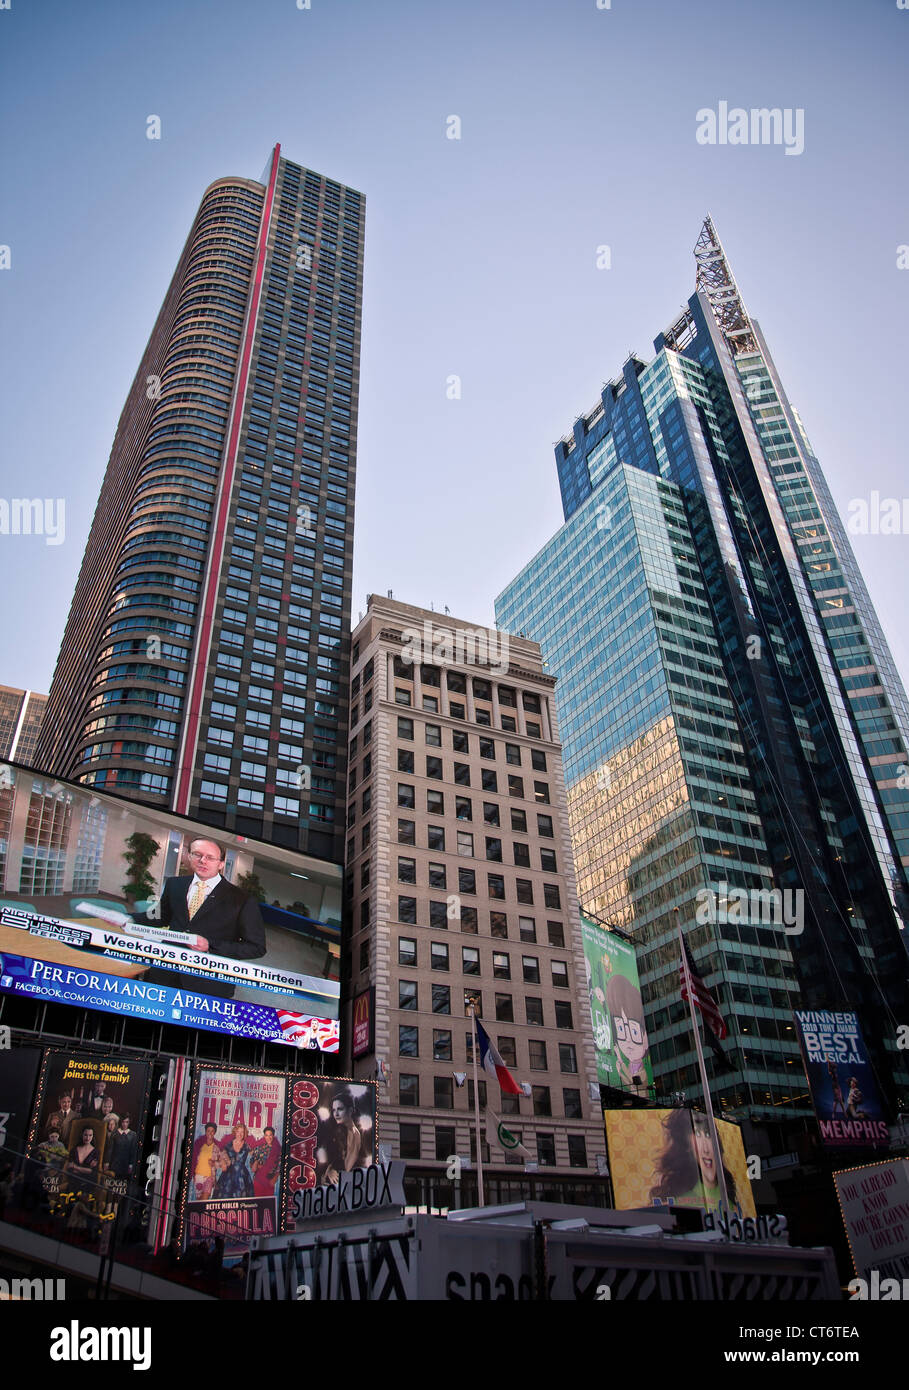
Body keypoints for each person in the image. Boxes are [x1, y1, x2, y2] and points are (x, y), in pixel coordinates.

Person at [135, 838, 266, 998]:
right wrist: (128, 919)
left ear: (221, 863)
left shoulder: (242, 899)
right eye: (197, 854)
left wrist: (210, 945)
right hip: (164, 974)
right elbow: (159, 917)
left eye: (210, 857)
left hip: (207, 984)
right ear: (189, 857)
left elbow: (256, 947)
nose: (202, 861)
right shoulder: (175, 884)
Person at [649, 1109, 739, 1214]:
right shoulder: (679, 1201)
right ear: (687, 1147)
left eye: (708, 1135)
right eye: (697, 1135)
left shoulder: (729, 1200)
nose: (706, 1149)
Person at [605, 972, 650, 1097]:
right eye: (620, 1029)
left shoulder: (642, 1072)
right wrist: (619, 1058)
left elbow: (632, 1082)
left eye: (634, 1032)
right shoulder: (632, 1065)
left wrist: (620, 1070)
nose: (628, 1041)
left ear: (645, 1038)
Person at [318, 1089, 373, 1185]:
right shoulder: (342, 1132)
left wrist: (330, 1172)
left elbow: (346, 1167)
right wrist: (329, 1169)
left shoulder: (354, 1134)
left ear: (350, 1110)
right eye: (334, 1110)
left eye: (340, 1109)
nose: (336, 1114)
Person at [213, 1123, 255, 1198]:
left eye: (242, 1132)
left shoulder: (247, 1145)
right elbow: (221, 1156)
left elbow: (255, 1156)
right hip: (228, 1175)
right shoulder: (228, 1144)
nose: (240, 1134)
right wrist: (222, 1162)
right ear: (235, 1132)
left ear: (245, 1133)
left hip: (242, 1176)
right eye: (238, 1131)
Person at [191, 1123, 222, 1200]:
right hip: (198, 1176)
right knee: (199, 1200)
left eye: (212, 1131)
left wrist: (214, 1163)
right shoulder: (199, 1144)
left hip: (210, 1177)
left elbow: (221, 1163)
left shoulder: (217, 1146)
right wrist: (193, 1175)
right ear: (205, 1132)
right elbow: (193, 1159)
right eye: (208, 1131)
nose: (210, 1133)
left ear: (215, 1132)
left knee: (204, 1199)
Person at [250, 1126, 282, 1198]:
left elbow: (279, 1167)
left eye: (270, 1135)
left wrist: (275, 1178)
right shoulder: (259, 1148)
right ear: (264, 1136)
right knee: (257, 1203)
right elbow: (252, 1164)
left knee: (268, 1204)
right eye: (266, 1135)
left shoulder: (278, 1150)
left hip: (270, 1181)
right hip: (258, 1180)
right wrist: (256, 1165)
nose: (268, 1137)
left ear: (273, 1136)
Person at [107, 1114, 139, 1179]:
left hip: (126, 1164)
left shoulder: (133, 1135)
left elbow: (133, 1151)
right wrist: (107, 1162)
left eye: (126, 1122)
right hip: (115, 1163)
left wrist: (131, 1165)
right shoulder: (115, 1133)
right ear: (120, 1122)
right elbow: (110, 1149)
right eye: (123, 1122)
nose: (124, 1124)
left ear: (129, 1123)